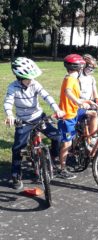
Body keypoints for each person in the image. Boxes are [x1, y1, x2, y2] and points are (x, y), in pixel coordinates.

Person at [4, 57, 65, 190]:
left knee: (57, 136)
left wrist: (57, 109)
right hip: (23, 121)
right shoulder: (12, 87)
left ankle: (51, 158)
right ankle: (16, 175)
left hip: (38, 117)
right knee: (17, 149)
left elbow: (46, 96)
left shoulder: (35, 84)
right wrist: (9, 114)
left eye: (32, 78)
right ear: (20, 77)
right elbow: (8, 102)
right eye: (28, 78)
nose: (31, 80)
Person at [58, 54, 98, 179]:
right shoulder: (70, 78)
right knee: (67, 144)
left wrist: (89, 102)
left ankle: (90, 138)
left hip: (75, 111)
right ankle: (62, 169)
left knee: (93, 113)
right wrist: (79, 102)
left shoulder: (74, 78)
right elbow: (68, 92)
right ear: (79, 67)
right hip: (67, 115)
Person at [78, 54, 98, 136]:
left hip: (89, 101)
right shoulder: (78, 76)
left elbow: (94, 90)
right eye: (89, 67)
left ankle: (91, 135)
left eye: (93, 68)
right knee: (91, 115)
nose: (91, 70)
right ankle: (91, 136)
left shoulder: (91, 78)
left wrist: (97, 99)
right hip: (80, 102)